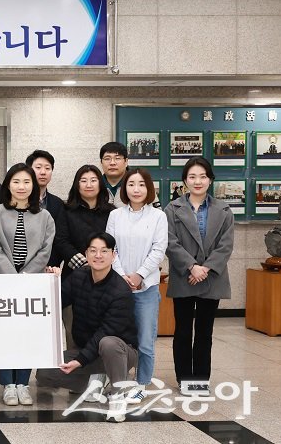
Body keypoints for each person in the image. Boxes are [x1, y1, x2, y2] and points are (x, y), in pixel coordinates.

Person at [36, 232, 139, 423]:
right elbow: (56, 302)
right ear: (86, 254)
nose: (98, 255)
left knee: (108, 343)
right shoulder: (79, 276)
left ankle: (118, 395)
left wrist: (80, 361)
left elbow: (106, 332)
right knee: (45, 374)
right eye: (93, 250)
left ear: (113, 255)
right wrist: (52, 282)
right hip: (88, 351)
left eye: (104, 251)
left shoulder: (120, 291)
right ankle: (97, 380)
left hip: (121, 352)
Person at [0, 163, 56, 407]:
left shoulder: (45, 216)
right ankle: (8, 384)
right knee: (4, 335)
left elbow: (45, 251)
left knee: (27, 335)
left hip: (31, 285)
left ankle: (23, 384)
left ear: (33, 186)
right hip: (0, 283)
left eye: (26, 182)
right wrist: (12, 278)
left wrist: (25, 277)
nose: (21, 186)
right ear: (8, 185)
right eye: (16, 182)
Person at [164, 157, 234, 395]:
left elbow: (226, 245)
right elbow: (170, 242)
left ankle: (201, 380)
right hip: (184, 276)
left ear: (210, 180)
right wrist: (192, 266)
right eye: (192, 176)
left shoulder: (224, 210)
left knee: (205, 332)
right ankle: (184, 379)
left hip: (211, 278)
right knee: (183, 331)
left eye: (203, 176)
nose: (198, 181)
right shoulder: (172, 209)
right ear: (185, 180)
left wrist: (205, 269)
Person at [105, 168, 167, 403]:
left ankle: (141, 384)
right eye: (131, 184)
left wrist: (140, 275)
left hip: (146, 287)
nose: (136, 189)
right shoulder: (115, 215)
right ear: (125, 188)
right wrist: (122, 275)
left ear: (148, 188)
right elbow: (111, 248)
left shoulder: (158, 217)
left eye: (141, 184)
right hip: (118, 287)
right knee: (114, 337)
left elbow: (158, 250)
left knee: (145, 340)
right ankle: (116, 382)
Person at [61, 165, 115, 278]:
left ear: (100, 184)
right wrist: (86, 265)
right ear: (77, 185)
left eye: (93, 180)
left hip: (106, 273)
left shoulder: (112, 212)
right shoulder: (66, 210)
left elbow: (115, 244)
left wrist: (99, 266)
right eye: (84, 181)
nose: (89, 185)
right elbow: (62, 241)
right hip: (73, 274)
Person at [25, 150, 72, 268]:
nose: (43, 172)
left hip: (48, 267)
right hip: (21, 265)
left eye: (47, 168)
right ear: (29, 170)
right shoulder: (19, 200)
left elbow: (59, 238)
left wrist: (51, 264)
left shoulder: (57, 203)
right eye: (38, 167)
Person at [99, 142, 129, 208]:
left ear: (126, 162)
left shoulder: (138, 184)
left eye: (117, 158)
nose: (112, 163)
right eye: (107, 159)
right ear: (101, 162)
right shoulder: (96, 185)